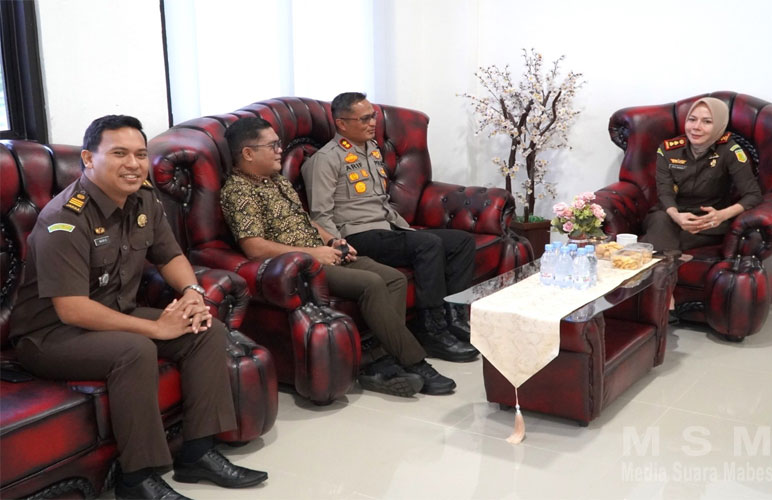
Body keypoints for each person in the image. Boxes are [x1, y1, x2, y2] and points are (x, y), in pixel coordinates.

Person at [9, 115, 268, 500]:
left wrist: (192, 293)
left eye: (140, 154)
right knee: (135, 350)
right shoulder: (65, 219)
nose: (133, 164)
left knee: (206, 330)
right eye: (119, 154)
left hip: (115, 314)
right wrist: (157, 328)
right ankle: (137, 478)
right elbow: (72, 309)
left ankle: (198, 453)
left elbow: (170, 255)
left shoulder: (144, 198)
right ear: (88, 159)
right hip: (50, 335)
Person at [219, 116, 457, 397]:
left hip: (323, 253)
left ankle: (378, 362)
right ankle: (415, 362)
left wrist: (333, 240)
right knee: (371, 283)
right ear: (248, 153)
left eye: (278, 144)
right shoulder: (238, 191)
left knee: (393, 278)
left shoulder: (276, 181)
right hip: (301, 267)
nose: (279, 150)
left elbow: (305, 221)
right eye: (272, 146)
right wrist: (315, 254)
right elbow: (254, 247)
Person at [302, 92, 478, 362]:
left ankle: (453, 318)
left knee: (461, 241)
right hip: (357, 234)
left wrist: (404, 228)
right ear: (341, 124)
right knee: (428, 245)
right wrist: (338, 248)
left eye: (372, 116)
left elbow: (381, 202)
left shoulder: (372, 149)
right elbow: (320, 214)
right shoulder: (326, 160)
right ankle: (430, 330)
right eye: (364, 119)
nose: (373, 123)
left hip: (388, 228)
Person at [640, 97, 763, 252]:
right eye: (692, 120)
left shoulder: (730, 151)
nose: (696, 127)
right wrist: (676, 216)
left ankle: (654, 254)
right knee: (660, 221)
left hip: (707, 223)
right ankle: (667, 259)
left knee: (658, 240)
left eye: (707, 122)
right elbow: (665, 191)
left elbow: (753, 195)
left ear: (719, 124)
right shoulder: (668, 150)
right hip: (671, 215)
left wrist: (722, 215)